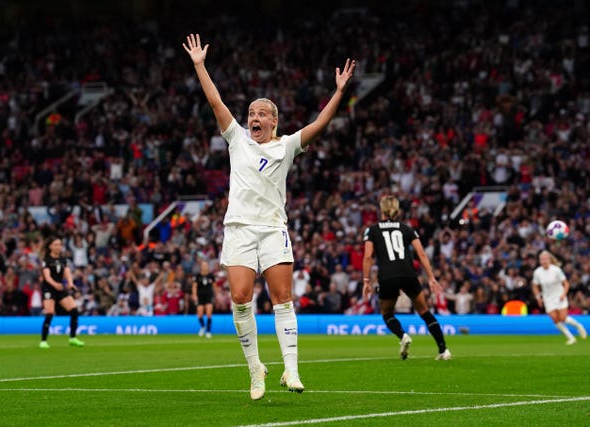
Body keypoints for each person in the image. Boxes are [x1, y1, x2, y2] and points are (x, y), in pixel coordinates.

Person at [183, 33, 355, 400]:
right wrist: (200, 66)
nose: (253, 118)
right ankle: (255, 370)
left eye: (261, 114)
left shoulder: (288, 146)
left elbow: (319, 125)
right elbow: (215, 102)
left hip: (273, 229)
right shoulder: (237, 140)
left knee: (283, 298)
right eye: (251, 114)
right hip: (240, 229)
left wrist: (338, 92)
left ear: (274, 121)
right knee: (241, 297)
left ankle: (291, 370)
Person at [362, 196, 450, 361]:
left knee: (387, 313)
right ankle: (443, 350)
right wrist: (431, 277)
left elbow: (368, 257)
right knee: (424, 311)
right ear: (397, 210)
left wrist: (366, 281)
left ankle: (403, 336)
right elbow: (421, 253)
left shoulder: (372, 230)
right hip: (408, 273)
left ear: (382, 210)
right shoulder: (407, 229)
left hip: (388, 276)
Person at [532, 250, 587, 344]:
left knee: (563, 318)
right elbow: (535, 285)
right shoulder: (537, 272)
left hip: (559, 295)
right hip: (547, 298)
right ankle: (571, 338)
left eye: (545, 259)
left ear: (549, 259)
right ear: (539, 261)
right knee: (555, 319)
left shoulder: (556, 270)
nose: (544, 261)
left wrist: (563, 294)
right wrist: (538, 297)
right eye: (541, 259)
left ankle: (578, 326)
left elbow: (566, 283)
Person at [39, 236, 85, 348]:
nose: (58, 247)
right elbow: (47, 276)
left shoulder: (63, 260)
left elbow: (67, 272)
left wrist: (70, 283)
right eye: (56, 245)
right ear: (50, 247)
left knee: (74, 310)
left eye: (60, 244)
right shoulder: (46, 260)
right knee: (50, 312)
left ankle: (73, 338)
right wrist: (55, 284)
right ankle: (43, 341)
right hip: (49, 289)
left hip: (60, 288)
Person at [192, 260, 216, 338]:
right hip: (200, 297)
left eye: (206, 265)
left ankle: (208, 331)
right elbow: (194, 286)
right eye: (203, 265)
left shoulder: (211, 276)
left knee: (209, 314)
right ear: (201, 266)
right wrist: (194, 295)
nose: (205, 267)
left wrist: (216, 296)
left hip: (209, 296)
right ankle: (203, 326)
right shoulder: (197, 276)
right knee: (200, 313)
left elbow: (214, 286)